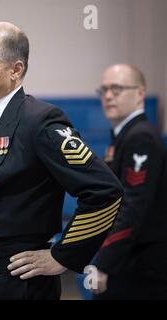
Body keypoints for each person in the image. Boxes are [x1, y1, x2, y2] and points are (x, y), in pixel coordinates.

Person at [0, 21, 124, 300]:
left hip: (20, 280)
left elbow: (105, 191)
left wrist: (63, 256)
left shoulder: (40, 121)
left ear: (16, 70)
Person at [90, 64, 167, 299]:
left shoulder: (140, 137)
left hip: (139, 266)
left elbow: (132, 207)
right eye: (103, 90)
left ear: (140, 94)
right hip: (128, 261)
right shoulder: (124, 136)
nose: (109, 96)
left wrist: (104, 263)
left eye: (117, 88)